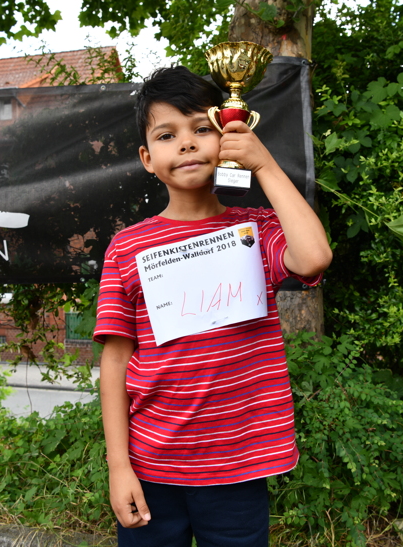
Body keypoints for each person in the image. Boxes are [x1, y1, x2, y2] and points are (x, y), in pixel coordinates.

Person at [93, 65, 332, 546]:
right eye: (167, 134)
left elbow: (314, 258)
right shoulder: (126, 247)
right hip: (152, 465)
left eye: (202, 129)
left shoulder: (256, 230)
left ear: (225, 137)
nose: (186, 143)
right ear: (146, 157)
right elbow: (116, 359)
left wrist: (264, 164)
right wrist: (119, 467)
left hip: (238, 467)